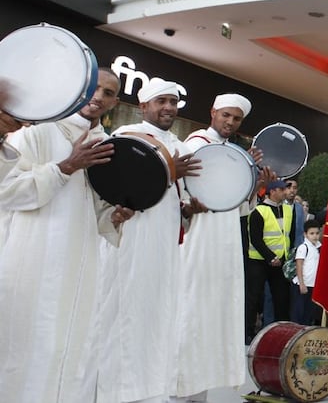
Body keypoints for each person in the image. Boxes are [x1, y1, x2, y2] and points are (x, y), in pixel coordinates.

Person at [0, 69, 131, 402]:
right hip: (33, 261)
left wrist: (113, 215)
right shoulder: (38, 133)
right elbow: (7, 192)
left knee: (71, 346)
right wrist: (64, 168)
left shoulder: (107, 146)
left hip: (80, 267)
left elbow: (93, 206)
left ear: (115, 102)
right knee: (26, 349)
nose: (98, 96)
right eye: (94, 88)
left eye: (108, 92)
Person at [96, 78, 199, 403]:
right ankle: (115, 388)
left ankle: (152, 386)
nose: (168, 107)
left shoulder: (181, 147)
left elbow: (177, 203)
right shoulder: (125, 137)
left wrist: (190, 209)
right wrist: (170, 172)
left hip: (165, 247)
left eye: (173, 101)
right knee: (125, 309)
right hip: (130, 243)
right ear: (144, 106)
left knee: (159, 311)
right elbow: (120, 187)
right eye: (161, 101)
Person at [173, 92, 262, 402]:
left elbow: (239, 208)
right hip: (198, 239)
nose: (230, 122)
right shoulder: (194, 144)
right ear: (213, 112)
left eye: (236, 119)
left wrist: (253, 179)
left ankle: (200, 389)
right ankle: (179, 387)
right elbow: (180, 195)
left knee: (215, 311)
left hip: (224, 242)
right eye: (226, 115)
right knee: (192, 307)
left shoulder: (235, 154)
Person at [245, 179, 294, 343]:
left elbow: (290, 235)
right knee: (254, 297)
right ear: (272, 192)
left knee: (282, 298)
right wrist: (270, 257)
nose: (285, 192)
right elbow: (256, 239)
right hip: (259, 261)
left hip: (281, 262)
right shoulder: (258, 211)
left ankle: (283, 331)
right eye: (282, 189)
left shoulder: (288, 209)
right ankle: (248, 332)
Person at [294, 220, 322, 325]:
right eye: (312, 233)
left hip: (313, 285)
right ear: (305, 234)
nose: (315, 236)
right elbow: (299, 265)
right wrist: (302, 284)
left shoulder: (319, 247)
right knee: (299, 313)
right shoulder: (303, 248)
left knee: (309, 313)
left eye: (317, 233)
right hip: (303, 285)